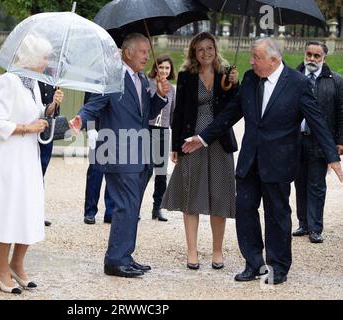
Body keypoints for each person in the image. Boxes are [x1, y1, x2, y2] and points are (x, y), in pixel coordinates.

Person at [183, 38, 343, 285]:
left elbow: (317, 120)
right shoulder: (250, 78)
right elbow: (231, 113)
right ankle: (253, 263)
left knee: (277, 215)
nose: (251, 62)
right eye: (251, 57)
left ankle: (278, 266)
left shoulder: (298, 83)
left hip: (279, 162)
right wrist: (203, 138)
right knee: (245, 211)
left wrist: (332, 157)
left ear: (274, 60)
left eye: (256, 58)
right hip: (250, 160)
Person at [69, 33, 170, 278]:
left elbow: (146, 113)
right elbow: (94, 104)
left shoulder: (142, 77)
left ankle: (125, 255)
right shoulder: (112, 77)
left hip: (139, 152)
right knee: (125, 206)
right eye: (143, 51)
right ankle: (114, 260)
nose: (148, 56)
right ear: (128, 53)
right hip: (117, 151)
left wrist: (160, 95)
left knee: (132, 207)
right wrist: (81, 119)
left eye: (148, 51)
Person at [0, 35, 55, 294]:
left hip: (28, 155)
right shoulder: (9, 81)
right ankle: (0, 270)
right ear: (31, 58)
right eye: (44, 57)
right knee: (7, 210)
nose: (47, 62)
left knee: (30, 208)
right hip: (8, 156)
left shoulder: (32, 83)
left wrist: (51, 107)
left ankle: (17, 264)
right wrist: (27, 128)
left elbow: (38, 117)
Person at [161, 32, 239, 270]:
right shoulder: (186, 76)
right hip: (190, 141)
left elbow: (235, 109)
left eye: (209, 48)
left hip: (219, 141)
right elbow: (179, 112)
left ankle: (217, 251)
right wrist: (175, 146)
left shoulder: (227, 74)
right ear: (194, 53)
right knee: (190, 195)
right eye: (200, 49)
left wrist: (234, 86)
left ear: (215, 49)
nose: (206, 53)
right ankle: (192, 252)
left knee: (220, 196)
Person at [293, 41, 343, 243]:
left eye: (317, 56)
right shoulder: (294, 77)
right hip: (296, 140)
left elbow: (341, 112)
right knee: (299, 183)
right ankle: (303, 223)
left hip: (320, 141)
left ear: (324, 58)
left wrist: (339, 140)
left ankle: (315, 227)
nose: (312, 59)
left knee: (316, 184)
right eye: (309, 54)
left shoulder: (336, 81)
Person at [146, 55, 177, 222]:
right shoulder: (147, 83)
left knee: (161, 172)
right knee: (146, 169)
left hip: (162, 131)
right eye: (162, 67)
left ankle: (157, 207)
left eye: (167, 68)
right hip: (147, 129)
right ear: (156, 68)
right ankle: (134, 206)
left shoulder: (172, 89)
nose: (164, 71)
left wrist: (176, 143)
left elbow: (173, 114)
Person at [83, 92, 115, 225]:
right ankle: (90, 212)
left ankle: (111, 212)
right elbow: (88, 107)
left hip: (115, 131)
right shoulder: (95, 79)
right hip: (97, 131)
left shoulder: (121, 80)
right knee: (95, 173)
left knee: (114, 173)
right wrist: (90, 129)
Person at [38, 81, 64, 227]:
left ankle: (36, 212)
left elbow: (52, 111)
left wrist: (56, 102)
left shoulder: (55, 80)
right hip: (32, 130)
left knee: (41, 171)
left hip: (48, 130)